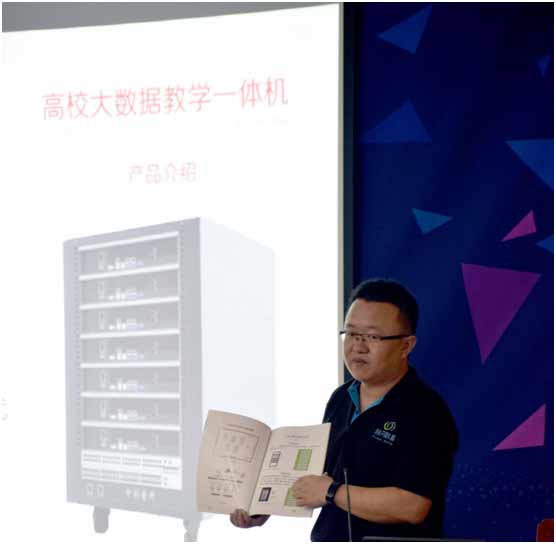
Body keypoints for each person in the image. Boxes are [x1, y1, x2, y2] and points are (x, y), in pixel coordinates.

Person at [230, 278, 458, 541]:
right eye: (351, 334)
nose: (358, 347)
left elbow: (412, 506)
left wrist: (332, 492)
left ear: (406, 345)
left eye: (372, 336)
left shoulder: (427, 411)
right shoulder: (341, 398)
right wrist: (264, 506)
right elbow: (321, 474)